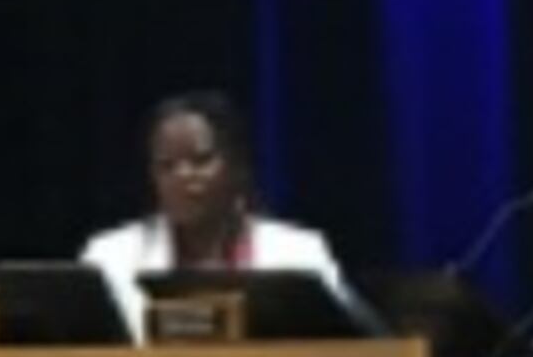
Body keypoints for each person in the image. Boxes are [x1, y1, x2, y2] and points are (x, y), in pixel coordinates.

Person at [79, 92, 352, 341]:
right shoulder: (109, 258)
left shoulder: (298, 254)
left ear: (239, 168)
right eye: (166, 166)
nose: (183, 176)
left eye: (201, 161)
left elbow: (342, 349)